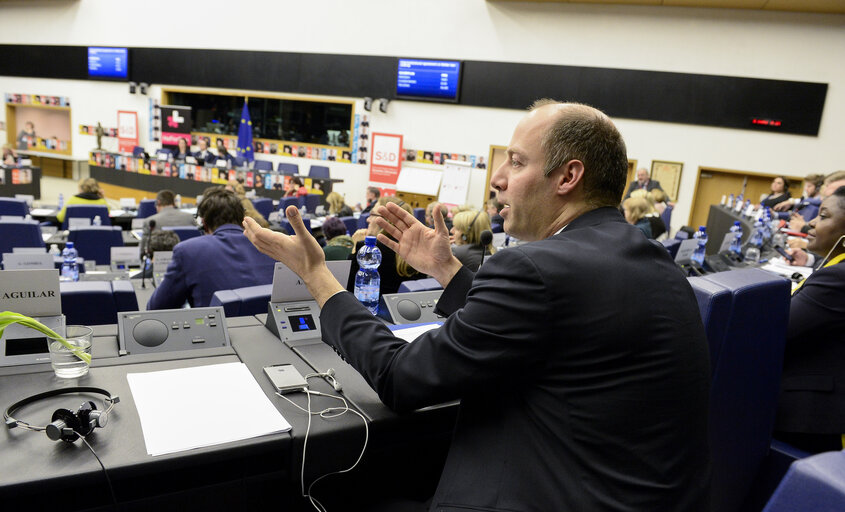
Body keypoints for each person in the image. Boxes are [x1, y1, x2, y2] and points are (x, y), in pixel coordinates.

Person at [243, 100, 710, 511]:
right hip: (631, 494)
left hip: (546, 495)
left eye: (516, 162)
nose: (498, 180)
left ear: (568, 176)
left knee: (325, 492)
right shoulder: (652, 261)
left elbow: (401, 378)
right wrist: (448, 271)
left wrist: (318, 278)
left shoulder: (535, 267)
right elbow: (553, 325)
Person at [775, 186, 845, 453]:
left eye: (824, 216)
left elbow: (779, 326)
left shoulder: (838, 278)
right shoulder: (834, 268)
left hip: (815, 420)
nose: (812, 222)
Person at [147, 188, 276, 309]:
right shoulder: (271, 246)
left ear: (204, 224)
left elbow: (156, 308)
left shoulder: (187, 251)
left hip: (218, 332)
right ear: (242, 219)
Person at [140, 189, 197, 255]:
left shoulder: (149, 222)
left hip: (160, 262)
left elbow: (143, 251)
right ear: (174, 203)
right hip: (187, 259)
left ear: (158, 202)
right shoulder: (189, 217)